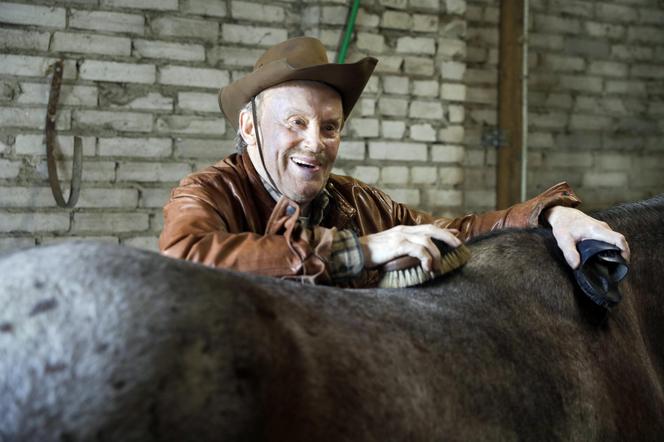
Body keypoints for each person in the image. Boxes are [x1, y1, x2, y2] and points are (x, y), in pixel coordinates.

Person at [159, 36, 629, 287]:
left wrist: (549, 213)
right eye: (295, 123)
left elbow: (458, 232)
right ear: (248, 127)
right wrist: (360, 253)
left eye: (329, 127)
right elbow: (185, 256)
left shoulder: (357, 202)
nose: (315, 143)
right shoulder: (209, 192)